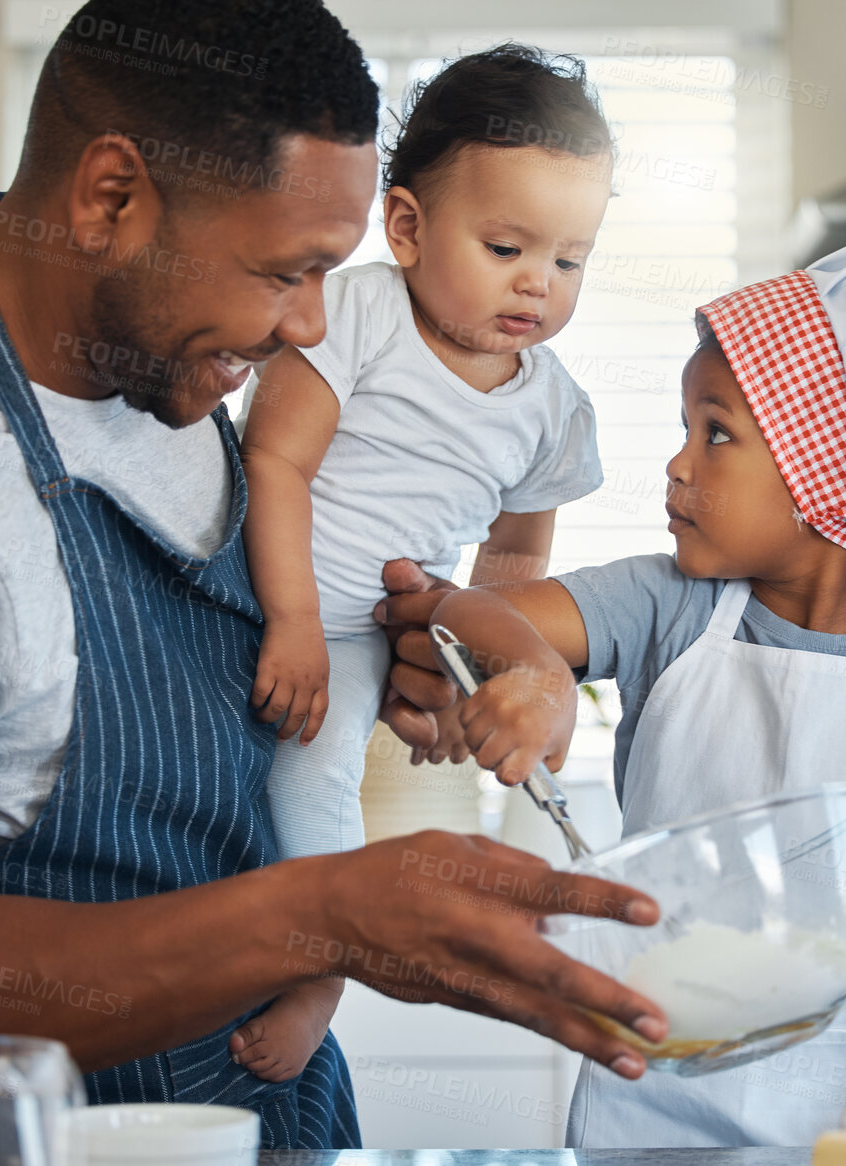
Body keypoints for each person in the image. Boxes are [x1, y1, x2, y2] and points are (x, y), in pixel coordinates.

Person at [0, 0, 669, 1149]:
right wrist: (329, 917)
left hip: (256, 1107)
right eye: (283, 272)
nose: (309, 325)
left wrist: (409, 660)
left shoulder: (157, 355)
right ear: (110, 198)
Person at [378, 229, 846, 1146]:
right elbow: (443, 609)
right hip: (652, 1117)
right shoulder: (663, 604)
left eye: (716, 433)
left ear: (829, 473)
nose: (676, 464)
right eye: (683, 429)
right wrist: (533, 671)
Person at [226, 44, 613, 1082]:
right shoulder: (354, 316)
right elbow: (274, 458)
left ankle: (318, 978)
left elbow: (517, 553)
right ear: (405, 227)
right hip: (254, 591)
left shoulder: (552, 408)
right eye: (503, 246)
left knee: (314, 781)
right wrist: (292, 618)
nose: (538, 280)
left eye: (570, 259)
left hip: (370, 632)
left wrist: (463, 670)